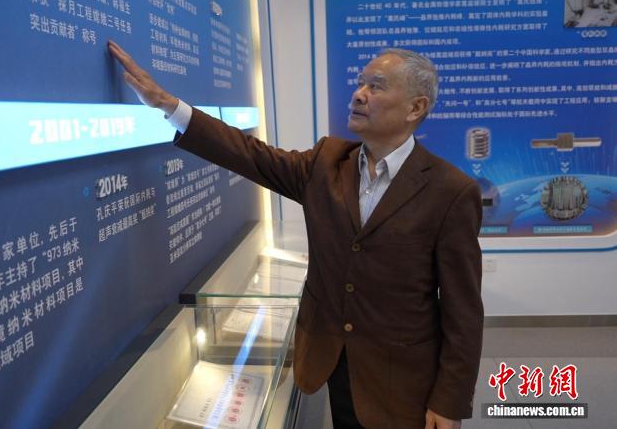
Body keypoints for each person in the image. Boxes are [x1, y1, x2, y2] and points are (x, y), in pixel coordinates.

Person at [108, 40, 483, 429]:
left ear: (415, 108)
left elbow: (464, 310)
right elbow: (249, 154)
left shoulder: (450, 191)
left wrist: (449, 401)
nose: (359, 94)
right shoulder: (327, 162)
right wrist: (169, 106)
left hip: (402, 374)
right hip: (333, 358)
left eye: (376, 86)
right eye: (360, 83)